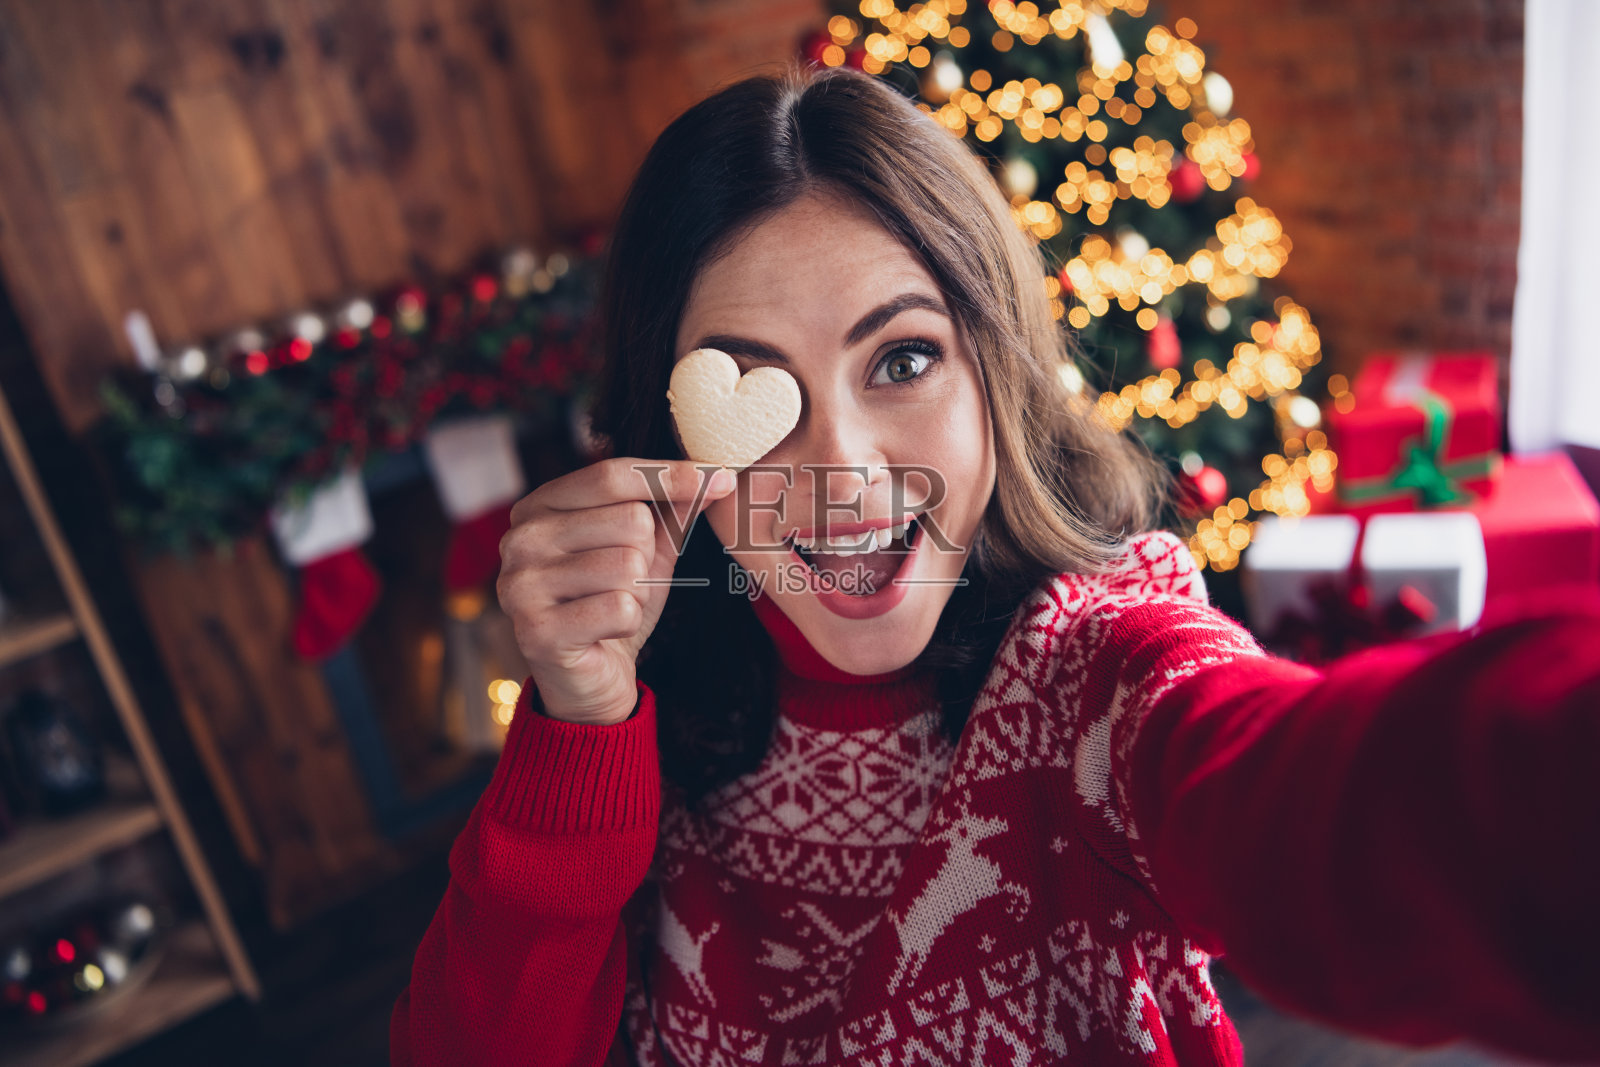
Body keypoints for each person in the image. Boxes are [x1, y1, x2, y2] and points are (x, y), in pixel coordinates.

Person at [389, 65, 1600, 1066]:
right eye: (755, 392)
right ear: (668, 436)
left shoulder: (1091, 666)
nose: (845, 470)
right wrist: (579, 725)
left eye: (902, 360)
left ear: (996, 372)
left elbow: (1324, 801)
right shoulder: (639, 721)